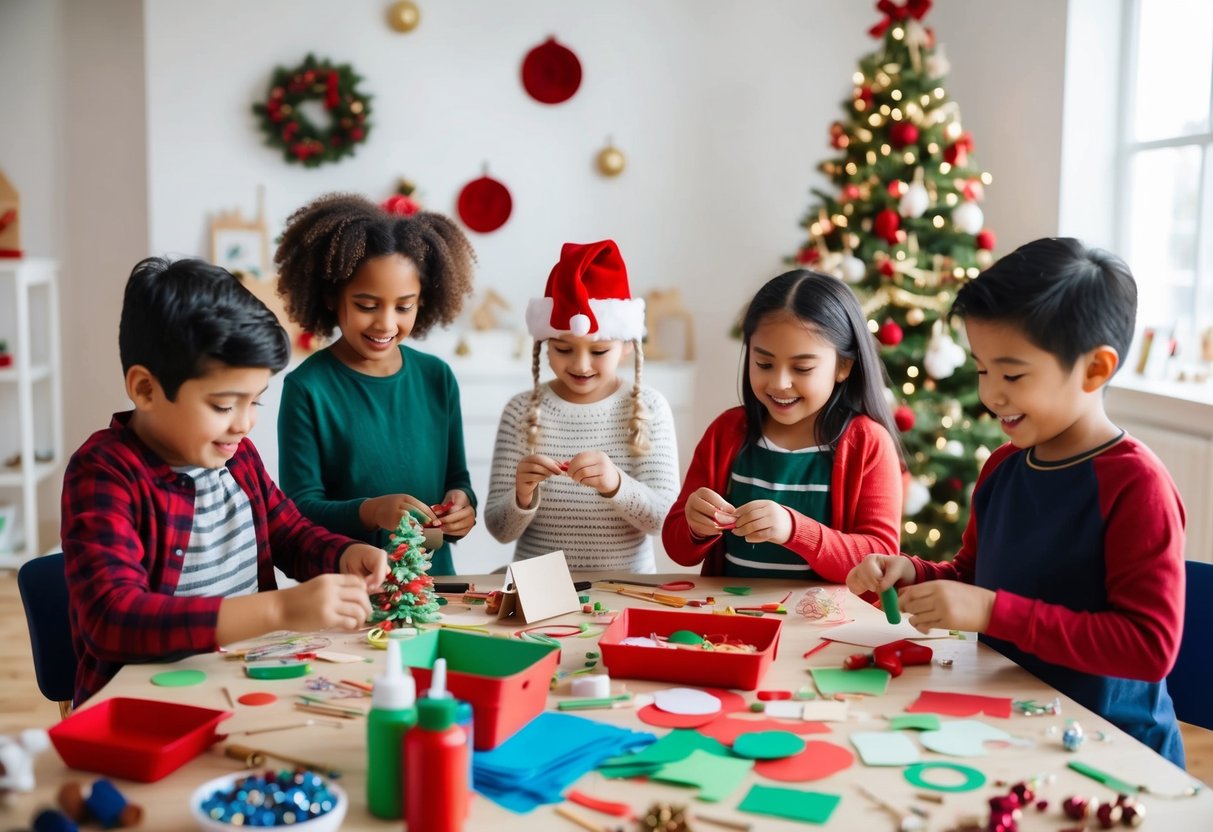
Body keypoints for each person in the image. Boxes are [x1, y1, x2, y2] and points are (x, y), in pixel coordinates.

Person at [846, 238, 1186, 766]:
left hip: (1108, 752)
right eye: (982, 370)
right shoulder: (1003, 468)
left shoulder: (1136, 486)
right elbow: (975, 576)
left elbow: (1147, 646)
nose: (991, 394)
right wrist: (914, 574)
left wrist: (992, 612)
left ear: (1095, 370)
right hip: (1006, 729)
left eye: (1012, 375)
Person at [61, 257, 388, 705]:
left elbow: (288, 533)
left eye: (256, 402)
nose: (244, 424)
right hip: (146, 705)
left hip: (248, 683)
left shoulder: (237, 457)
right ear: (145, 389)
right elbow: (112, 619)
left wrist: (344, 554)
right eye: (223, 405)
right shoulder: (104, 473)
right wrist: (279, 609)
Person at [275, 193, 477, 575]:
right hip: (349, 590)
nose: (386, 324)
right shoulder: (307, 387)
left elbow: (457, 479)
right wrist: (369, 511)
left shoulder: (437, 377)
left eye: (403, 306)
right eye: (368, 305)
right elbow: (299, 510)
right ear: (334, 297)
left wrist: (462, 506)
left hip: (436, 587)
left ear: (423, 300)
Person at [663, 269, 903, 580]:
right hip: (732, 619)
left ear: (843, 366)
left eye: (802, 368)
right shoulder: (726, 432)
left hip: (825, 626)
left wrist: (795, 530)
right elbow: (677, 546)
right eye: (764, 363)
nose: (780, 382)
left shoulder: (868, 442)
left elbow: (880, 557)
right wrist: (694, 526)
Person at [485, 240, 679, 572]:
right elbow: (499, 531)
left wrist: (616, 484)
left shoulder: (650, 407)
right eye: (563, 349)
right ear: (545, 345)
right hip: (537, 590)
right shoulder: (520, 410)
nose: (581, 364)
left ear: (628, 346)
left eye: (599, 351)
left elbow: (664, 521)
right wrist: (521, 495)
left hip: (627, 588)